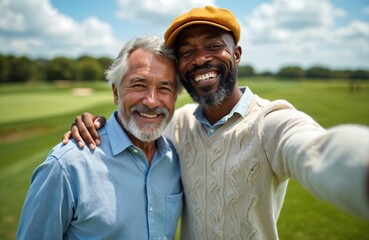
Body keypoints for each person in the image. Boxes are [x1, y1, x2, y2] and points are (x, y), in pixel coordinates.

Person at [63, 6, 369, 240]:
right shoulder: (178, 125)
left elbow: (317, 150)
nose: (199, 60)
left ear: (236, 55)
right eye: (187, 52)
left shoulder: (272, 121)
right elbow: (138, 124)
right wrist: (99, 124)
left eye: (213, 47)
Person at [17, 36, 183, 240]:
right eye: (139, 85)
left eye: (164, 88)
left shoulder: (176, 159)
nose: (151, 101)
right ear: (116, 92)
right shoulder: (67, 166)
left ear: (175, 98)